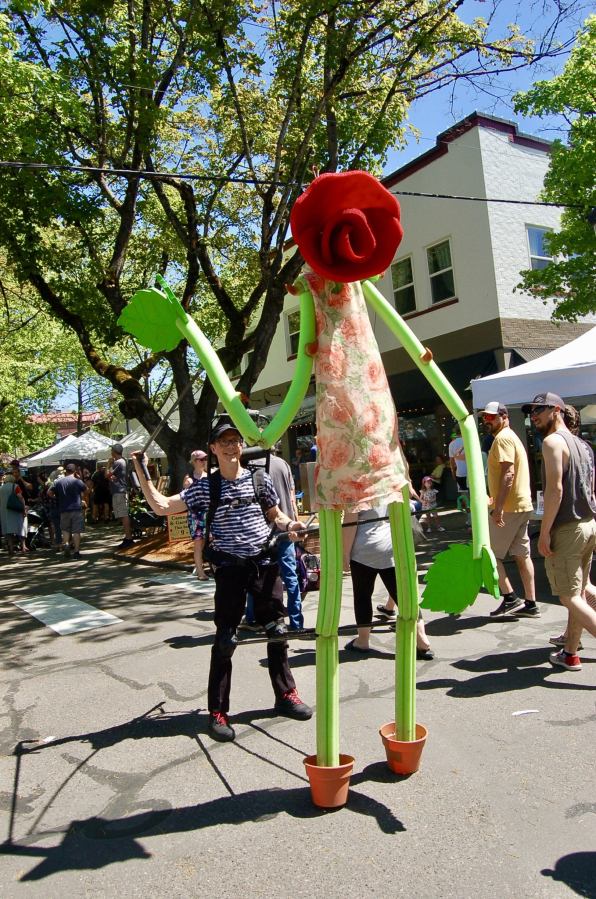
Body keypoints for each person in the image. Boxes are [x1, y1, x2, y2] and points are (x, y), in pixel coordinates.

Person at [131, 418, 312, 743]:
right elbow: (161, 507)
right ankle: (218, 712)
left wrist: (291, 527)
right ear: (213, 449)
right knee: (225, 640)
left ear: (241, 446)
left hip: (264, 561)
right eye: (223, 441)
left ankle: (286, 696)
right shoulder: (205, 487)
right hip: (229, 568)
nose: (230, 445)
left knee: (277, 632)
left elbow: (275, 514)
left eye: (235, 440)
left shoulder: (259, 478)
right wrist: (142, 471)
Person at [521, 393, 596, 671]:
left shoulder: (553, 442)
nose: (534, 415)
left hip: (567, 527)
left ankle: (570, 651)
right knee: (577, 593)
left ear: (557, 410)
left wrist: (544, 532)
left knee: (570, 596)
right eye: (531, 411)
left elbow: (555, 490)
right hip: (587, 525)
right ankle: (570, 653)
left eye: (539, 409)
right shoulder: (583, 444)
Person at [342, 504, 434, 659]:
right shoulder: (390, 482)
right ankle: (422, 639)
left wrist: (345, 553)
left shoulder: (356, 487)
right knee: (404, 595)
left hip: (364, 548)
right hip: (392, 545)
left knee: (362, 596)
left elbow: (350, 523)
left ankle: (363, 640)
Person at [480, 401, 538, 618]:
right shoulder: (511, 437)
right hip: (522, 504)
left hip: (510, 507)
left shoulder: (503, 438)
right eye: (485, 417)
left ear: (504, 417)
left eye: (492, 417)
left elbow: (508, 473)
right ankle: (531, 604)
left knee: (490, 555)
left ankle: (510, 598)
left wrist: (498, 508)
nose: (487, 420)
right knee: (522, 555)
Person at [242, 445, 305, 632]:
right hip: (285, 527)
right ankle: (296, 622)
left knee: (256, 575)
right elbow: (292, 498)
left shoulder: (250, 467)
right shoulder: (284, 464)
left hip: (262, 530)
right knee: (290, 577)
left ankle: (253, 618)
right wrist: (295, 521)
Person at [48, 463, 89, 559]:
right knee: (76, 531)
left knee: (65, 529)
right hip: (76, 508)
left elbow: (49, 492)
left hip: (63, 509)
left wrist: (55, 498)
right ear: (75, 471)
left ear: (66, 471)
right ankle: (76, 551)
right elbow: (87, 490)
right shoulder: (77, 482)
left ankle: (66, 544)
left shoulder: (59, 482)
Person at [182, 450, 209, 580]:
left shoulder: (209, 476)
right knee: (198, 543)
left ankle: (215, 569)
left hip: (208, 513)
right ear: (194, 462)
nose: (204, 462)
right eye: (201, 460)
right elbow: (185, 498)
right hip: (195, 514)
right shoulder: (189, 479)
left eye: (205, 459)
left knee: (212, 541)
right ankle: (200, 572)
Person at [108, 443, 134, 548]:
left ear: (114, 451)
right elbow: (112, 476)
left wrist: (108, 464)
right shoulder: (122, 462)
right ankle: (127, 536)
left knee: (123, 515)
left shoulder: (118, 462)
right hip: (120, 491)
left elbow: (106, 474)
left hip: (119, 492)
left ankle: (129, 538)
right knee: (122, 515)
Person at [0, 473, 28, 555]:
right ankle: (23, 546)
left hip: (4, 511)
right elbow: (20, 497)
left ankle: (11, 548)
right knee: (21, 526)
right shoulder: (15, 486)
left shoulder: (1, 488)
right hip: (15, 510)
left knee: (8, 529)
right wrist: (24, 507)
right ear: (12, 480)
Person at [449, 423, 470, 513]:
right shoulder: (468, 441)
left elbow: (451, 461)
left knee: (464, 495)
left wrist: (453, 471)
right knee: (473, 493)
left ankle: (469, 517)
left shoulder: (452, 444)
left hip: (460, 472)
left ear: (455, 431)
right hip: (470, 472)